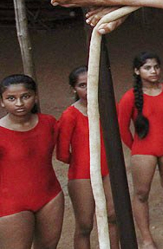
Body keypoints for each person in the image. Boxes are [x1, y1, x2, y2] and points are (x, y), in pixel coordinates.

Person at [117, 52, 163, 248]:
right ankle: (146, 238)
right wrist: (136, 147)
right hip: (143, 150)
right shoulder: (129, 97)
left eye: (156, 67)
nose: (153, 71)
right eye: (147, 68)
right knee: (142, 193)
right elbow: (122, 128)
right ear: (137, 71)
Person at [56, 66, 119, 249]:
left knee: (113, 215)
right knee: (85, 225)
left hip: (108, 170)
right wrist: (82, 162)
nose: (88, 88)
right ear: (73, 89)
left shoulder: (108, 108)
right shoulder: (70, 115)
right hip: (81, 174)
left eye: (91, 83)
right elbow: (62, 153)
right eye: (82, 85)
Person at [0, 74, 63, 249]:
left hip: (50, 196)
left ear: (35, 97)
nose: (19, 103)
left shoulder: (49, 123)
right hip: (10, 203)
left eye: (25, 96)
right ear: (2, 102)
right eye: (11, 98)